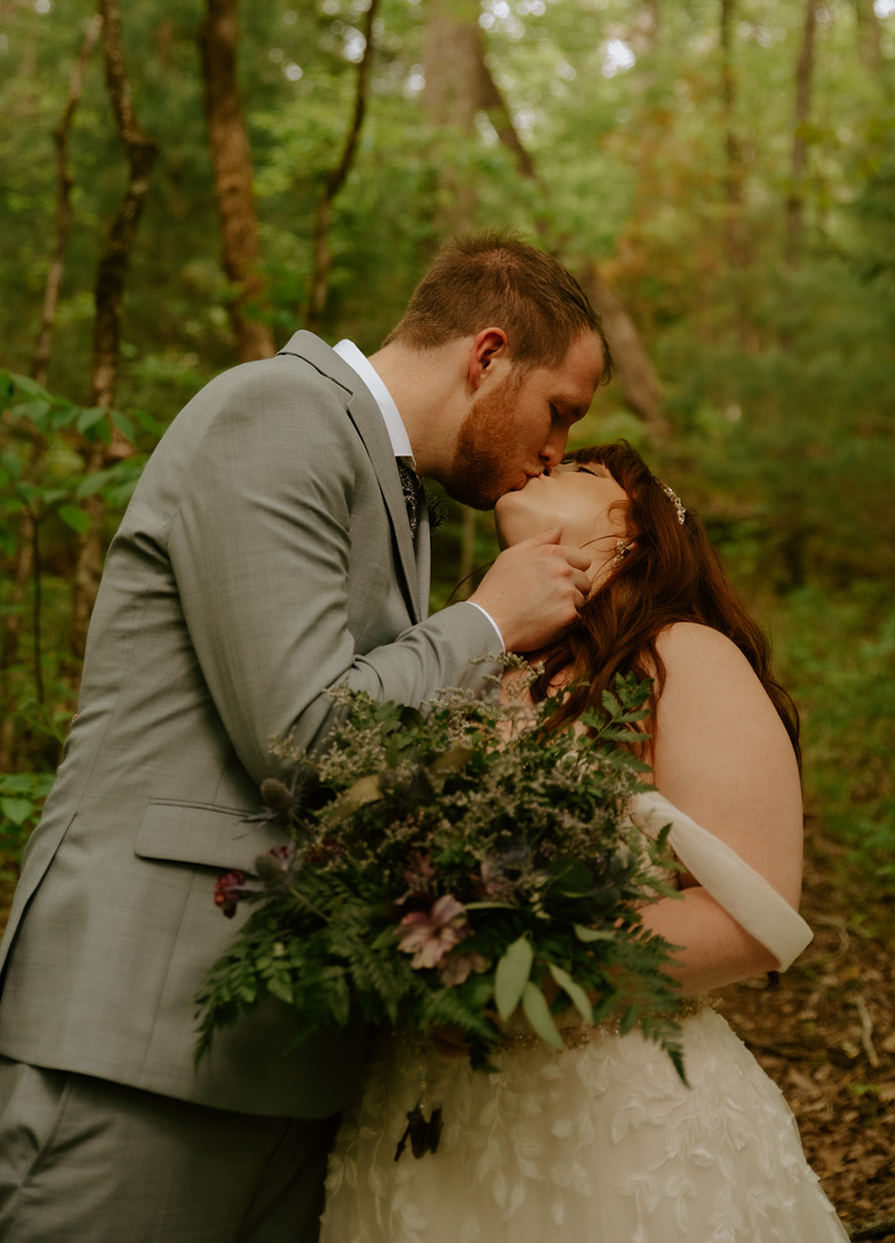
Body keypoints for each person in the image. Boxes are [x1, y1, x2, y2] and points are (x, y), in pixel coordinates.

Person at [0, 233, 609, 1243]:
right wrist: (489, 622)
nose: (555, 451)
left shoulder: (398, 492)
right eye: (561, 412)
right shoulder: (275, 413)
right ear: (488, 354)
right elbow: (307, 732)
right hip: (145, 1038)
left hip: (288, 1056)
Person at [322, 443, 850, 1242]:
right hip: (420, 1106)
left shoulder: (681, 657)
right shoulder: (469, 664)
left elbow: (755, 917)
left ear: (631, 532)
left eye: (577, 468)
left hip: (615, 1126)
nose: (537, 462)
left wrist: (513, 986)